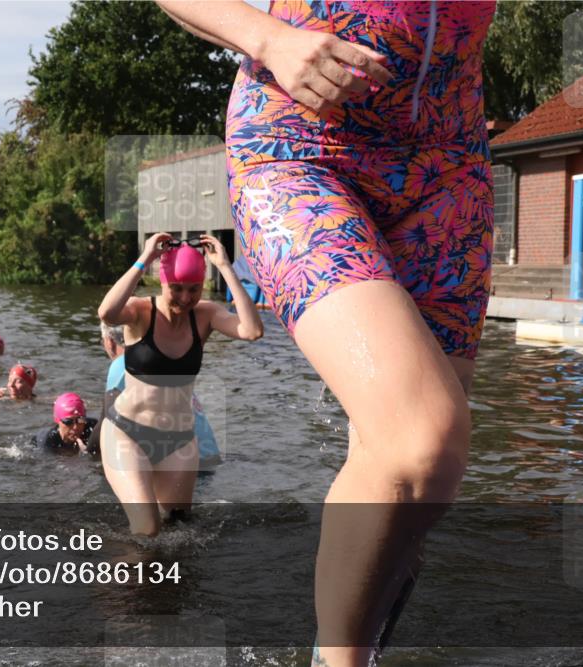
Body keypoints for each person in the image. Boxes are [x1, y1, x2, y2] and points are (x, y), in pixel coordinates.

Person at [157, 2, 496, 663]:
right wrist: (269, 39)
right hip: (299, 146)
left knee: (407, 498)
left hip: (447, 170)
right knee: (423, 441)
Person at [97, 233, 261, 537]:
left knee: (179, 530)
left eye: (194, 289)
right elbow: (106, 312)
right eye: (176, 288)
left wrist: (225, 267)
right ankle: (117, 584)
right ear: (162, 282)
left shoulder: (206, 315)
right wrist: (144, 259)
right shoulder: (140, 311)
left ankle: (167, 585)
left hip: (180, 441)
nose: (185, 298)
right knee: (147, 529)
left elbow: (251, 331)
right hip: (128, 433)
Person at [89, 321, 221, 470]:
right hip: (209, 456)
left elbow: (107, 422)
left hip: (182, 463)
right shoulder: (158, 358)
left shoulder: (121, 364)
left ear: (109, 342)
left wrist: (86, 454)